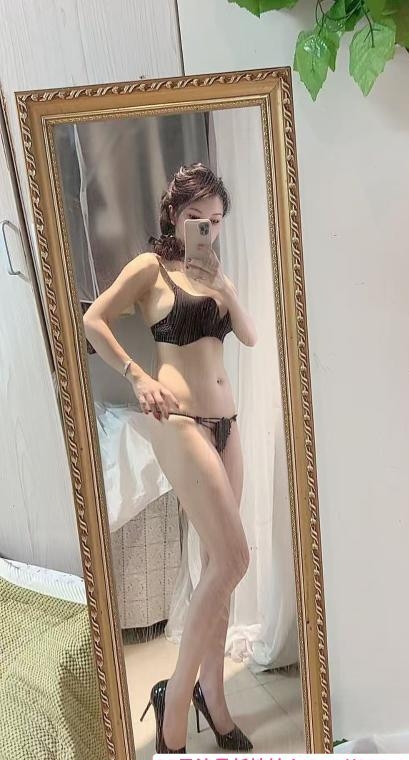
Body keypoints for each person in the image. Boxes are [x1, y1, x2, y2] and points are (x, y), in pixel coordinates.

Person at [83, 163, 258, 753]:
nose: (206, 228)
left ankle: (215, 696)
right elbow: (93, 320)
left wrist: (224, 284)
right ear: (173, 216)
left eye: (216, 220)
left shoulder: (216, 276)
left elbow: (250, 335)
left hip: (227, 425)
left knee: (218, 567)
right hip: (180, 422)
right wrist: (137, 376)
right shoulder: (149, 268)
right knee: (235, 558)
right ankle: (176, 699)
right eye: (195, 217)